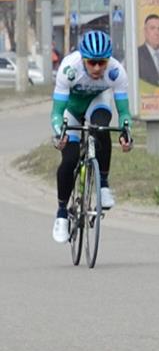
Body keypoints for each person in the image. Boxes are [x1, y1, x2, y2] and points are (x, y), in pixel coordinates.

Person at [50, 31, 133, 243]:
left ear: (108, 60)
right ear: (83, 59)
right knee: (69, 160)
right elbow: (57, 113)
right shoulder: (69, 69)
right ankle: (61, 214)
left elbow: (124, 113)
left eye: (101, 63)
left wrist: (126, 131)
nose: (97, 68)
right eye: (92, 63)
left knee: (100, 128)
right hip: (72, 109)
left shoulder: (116, 71)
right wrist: (59, 131)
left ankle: (103, 185)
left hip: (98, 101)